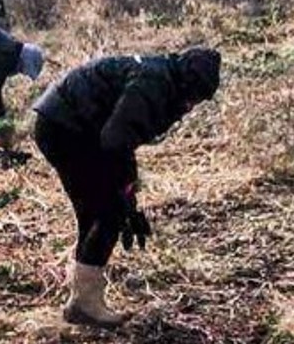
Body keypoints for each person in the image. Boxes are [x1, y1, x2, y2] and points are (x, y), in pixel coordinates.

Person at [32, 47, 221, 328]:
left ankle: (81, 301)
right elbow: (115, 141)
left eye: (200, 99)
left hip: (66, 123)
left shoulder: (164, 77)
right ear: (185, 82)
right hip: (65, 128)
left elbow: (122, 140)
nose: (192, 105)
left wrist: (128, 197)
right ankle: (84, 304)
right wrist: (125, 201)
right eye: (193, 95)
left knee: (97, 212)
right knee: (107, 214)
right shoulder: (153, 85)